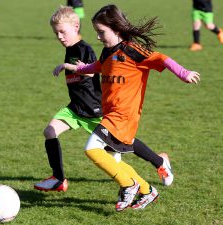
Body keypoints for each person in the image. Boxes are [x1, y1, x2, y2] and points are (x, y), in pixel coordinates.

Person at [53, 4, 200, 211]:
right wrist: (74, 67)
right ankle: (147, 191)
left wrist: (183, 73)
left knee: (92, 149)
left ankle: (129, 184)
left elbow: (161, 58)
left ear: (116, 29)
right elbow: (95, 68)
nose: (98, 37)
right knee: (114, 159)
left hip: (123, 117)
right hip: (110, 114)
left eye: (101, 32)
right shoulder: (106, 52)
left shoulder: (133, 50)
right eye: (96, 32)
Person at [34, 6, 174, 196]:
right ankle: (58, 179)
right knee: (50, 131)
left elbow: (94, 71)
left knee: (124, 144)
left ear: (76, 27)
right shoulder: (69, 49)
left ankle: (159, 162)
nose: (59, 36)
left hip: (95, 109)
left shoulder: (85, 49)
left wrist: (70, 67)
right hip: (76, 108)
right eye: (56, 33)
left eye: (62, 31)